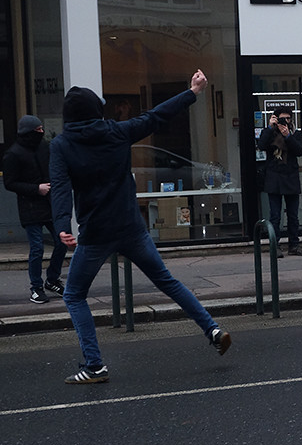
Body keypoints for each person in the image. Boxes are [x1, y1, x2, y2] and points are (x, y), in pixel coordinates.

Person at [50, 73, 232, 385]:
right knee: (167, 281)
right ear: (96, 111)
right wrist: (192, 92)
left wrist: (62, 225)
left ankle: (94, 366)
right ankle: (212, 329)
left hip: (96, 232)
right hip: (131, 226)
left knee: (75, 294)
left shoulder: (62, 145)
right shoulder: (117, 132)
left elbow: (60, 189)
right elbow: (155, 116)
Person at [4, 114, 69, 304]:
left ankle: (52, 279)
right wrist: (36, 189)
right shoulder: (13, 154)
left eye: (42, 129)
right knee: (37, 248)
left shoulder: (43, 147)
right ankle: (36, 287)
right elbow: (10, 183)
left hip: (49, 203)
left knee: (61, 241)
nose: (41, 132)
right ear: (28, 133)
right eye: (38, 130)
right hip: (30, 206)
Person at [257, 110, 302, 256]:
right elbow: (261, 145)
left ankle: (294, 245)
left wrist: (288, 136)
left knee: (293, 215)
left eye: (288, 119)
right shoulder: (270, 133)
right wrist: (269, 128)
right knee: (275, 215)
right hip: (274, 177)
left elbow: (299, 151)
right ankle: (275, 246)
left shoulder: (295, 133)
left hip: (291, 177)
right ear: (276, 119)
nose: (285, 122)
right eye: (282, 119)